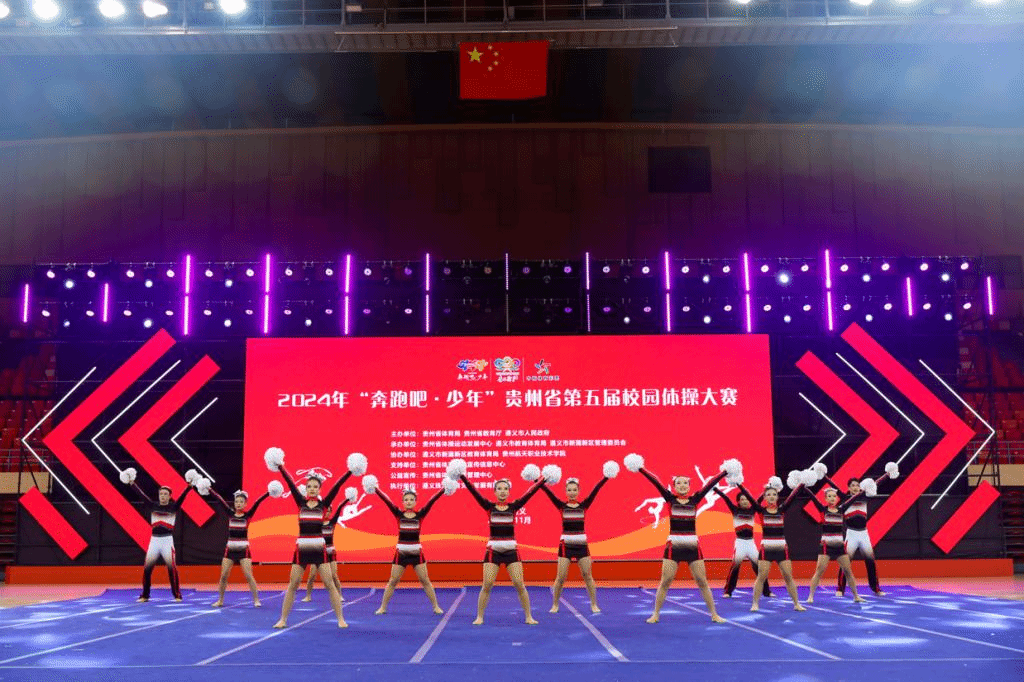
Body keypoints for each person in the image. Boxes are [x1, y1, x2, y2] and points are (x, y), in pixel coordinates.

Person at [635, 463, 727, 624]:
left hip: (692, 545)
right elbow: (655, 481)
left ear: (689, 486)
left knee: (702, 581)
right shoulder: (670, 499)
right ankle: (655, 614)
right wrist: (641, 469)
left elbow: (710, 483)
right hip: (674, 545)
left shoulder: (695, 499)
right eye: (679, 483)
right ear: (674, 486)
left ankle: (714, 614)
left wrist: (725, 472)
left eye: (685, 483)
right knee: (665, 581)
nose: (682, 485)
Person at [272, 466, 351, 628]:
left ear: (320, 489)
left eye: (315, 486)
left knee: (329, 584)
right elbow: (290, 483)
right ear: (306, 488)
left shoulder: (324, 505)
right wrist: (280, 466)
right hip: (301, 548)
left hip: (319, 548)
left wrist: (350, 471)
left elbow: (337, 485)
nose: (312, 489)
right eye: (309, 486)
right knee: (293, 585)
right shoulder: (300, 502)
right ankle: (283, 620)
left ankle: (341, 619)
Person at [460, 474, 545, 625]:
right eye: (499, 489)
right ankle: (479, 617)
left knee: (519, 584)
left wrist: (543, 479)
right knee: (487, 584)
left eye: (505, 489)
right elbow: (474, 491)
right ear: (495, 492)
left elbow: (530, 493)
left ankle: (528, 617)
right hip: (493, 551)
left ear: (509, 492)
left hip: (511, 550)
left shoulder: (514, 507)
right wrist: (462, 476)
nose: (503, 491)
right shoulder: (489, 507)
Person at [537, 473, 610, 614]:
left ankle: (594, 604)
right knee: (560, 577)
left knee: (587, 576)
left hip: (582, 545)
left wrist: (605, 477)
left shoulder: (584, 506)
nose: (572, 492)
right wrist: (538, 480)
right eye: (569, 490)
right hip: (566, 546)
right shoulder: (561, 506)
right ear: (566, 492)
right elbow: (548, 492)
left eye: (574, 490)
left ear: (578, 491)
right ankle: (555, 605)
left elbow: (596, 490)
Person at [373, 483, 449, 615]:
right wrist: (375, 489)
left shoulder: (420, 515)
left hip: (416, 553)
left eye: (411, 499)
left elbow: (432, 501)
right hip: (401, 553)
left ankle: (436, 606)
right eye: (406, 499)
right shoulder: (398, 514)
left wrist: (444, 489)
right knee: (393, 581)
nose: (409, 502)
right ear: (402, 502)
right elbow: (387, 500)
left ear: (415, 502)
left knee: (425, 580)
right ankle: (383, 607)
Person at [822, 469, 895, 597]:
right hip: (851, 534)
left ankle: (876, 588)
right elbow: (834, 486)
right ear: (849, 488)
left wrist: (888, 474)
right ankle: (840, 589)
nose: (855, 487)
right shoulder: (844, 498)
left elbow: (875, 483)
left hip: (864, 534)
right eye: (853, 486)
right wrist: (823, 476)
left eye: (857, 485)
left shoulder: (864, 497)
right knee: (845, 562)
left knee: (871, 562)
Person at [737, 480, 805, 612]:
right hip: (766, 548)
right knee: (761, 577)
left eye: (774, 494)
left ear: (777, 496)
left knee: (788, 576)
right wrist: (739, 484)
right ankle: (755, 604)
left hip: (781, 548)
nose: (772, 496)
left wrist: (802, 483)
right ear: (765, 497)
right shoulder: (761, 511)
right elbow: (749, 496)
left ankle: (797, 604)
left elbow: (793, 496)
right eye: (768, 494)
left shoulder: (782, 509)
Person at [125, 473, 194, 603]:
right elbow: (141, 495)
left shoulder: (173, 507)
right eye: (161, 494)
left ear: (169, 496)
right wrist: (132, 484)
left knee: (172, 569)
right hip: (154, 541)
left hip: (167, 541)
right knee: (147, 569)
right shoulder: (153, 506)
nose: (162, 496)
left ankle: (177, 595)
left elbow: (182, 497)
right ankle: (145, 595)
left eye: (165, 494)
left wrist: (189, 487)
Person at [209, 487, 271, 608]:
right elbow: (220, 499)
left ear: (245, 504)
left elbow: (258, 502)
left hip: (243, 549)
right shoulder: (230, 513)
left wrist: (268, 493)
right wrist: (209, 489)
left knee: (248, 575)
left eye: (241, 502)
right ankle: (220, 600)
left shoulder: (248, 515)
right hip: (230, 548)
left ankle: (256, 600)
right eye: (236, 501)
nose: (238, 504)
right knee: (224, 575)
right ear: (234, 503)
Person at [805, 485, 865, 604]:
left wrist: (863, 491)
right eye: (829, 496)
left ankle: (856, 596)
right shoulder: (823, 510)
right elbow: (812, 497)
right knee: (819, 571)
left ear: (837, 498)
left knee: (848, 571)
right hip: (826, 546)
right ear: (825, 499)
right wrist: (804, 487)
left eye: (834, 496)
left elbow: (853, 498)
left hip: (839, 546)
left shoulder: (842, 509)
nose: (832, 498)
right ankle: (810, 596)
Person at [717, 488, 772, 599]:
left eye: (747, 499)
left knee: (760, 568)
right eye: (742, 499)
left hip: (751, 543)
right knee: (735, 568)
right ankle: (728, 591)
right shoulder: (735, 510)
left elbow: (759, 499)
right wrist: (717, 490)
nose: (745, 501)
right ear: (738, 502)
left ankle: (767, 592)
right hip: (740, 543)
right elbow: (726, 498)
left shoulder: (752, 510)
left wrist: (766, 490)